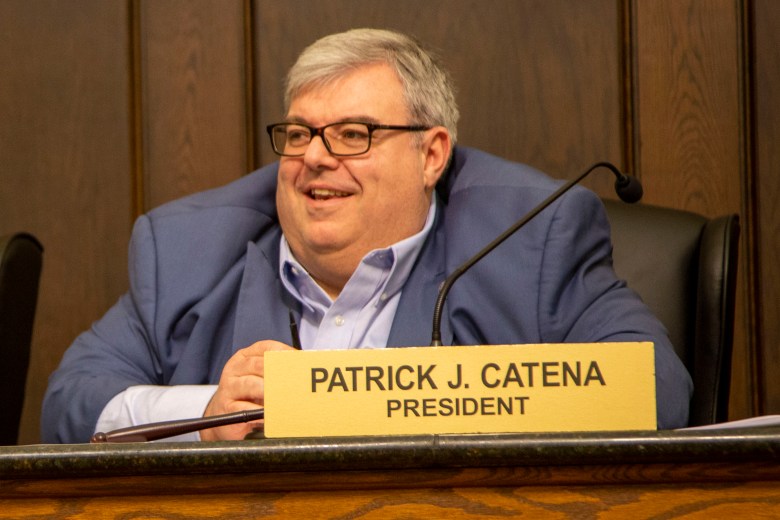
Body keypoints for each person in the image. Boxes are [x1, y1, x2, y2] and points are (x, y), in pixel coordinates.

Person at [42, 28, 692, 443]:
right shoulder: (188, 248)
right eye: (298, 134)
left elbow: (657, 388)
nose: (315, 158)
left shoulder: (534, 240)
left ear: (432, 155)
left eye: (354, 135)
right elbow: (71, 406)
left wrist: (438, 398)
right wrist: (205, 413)